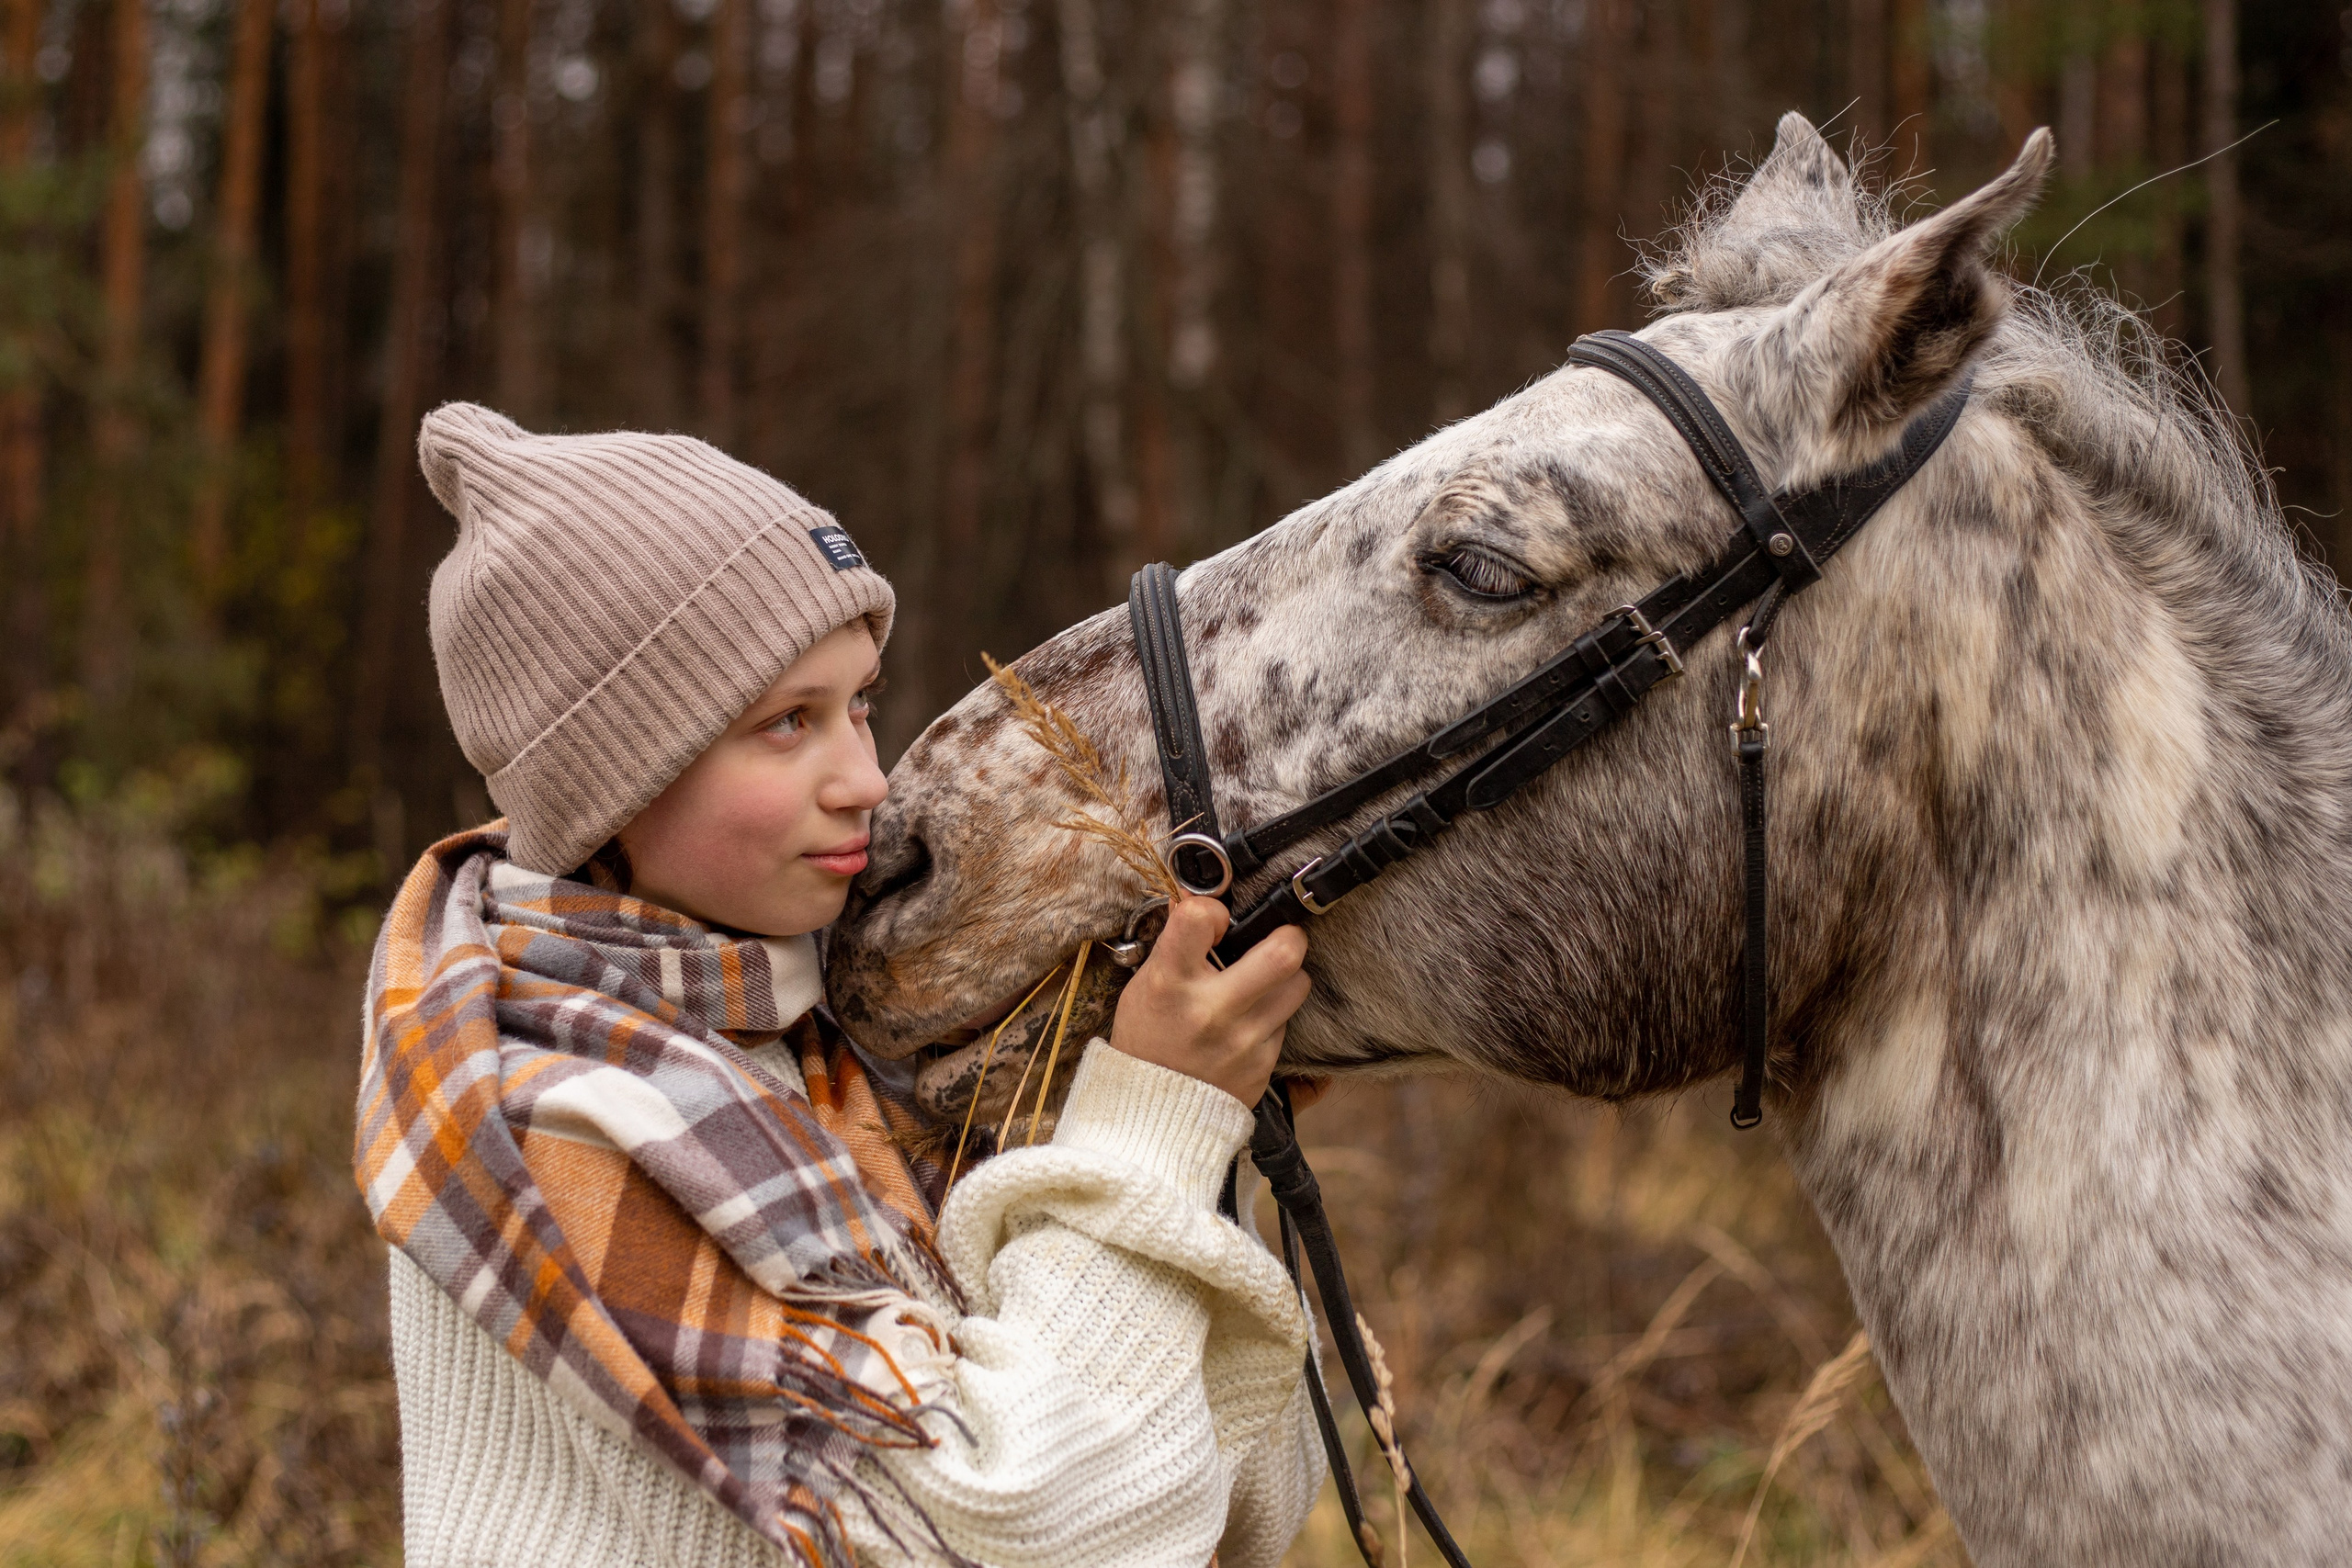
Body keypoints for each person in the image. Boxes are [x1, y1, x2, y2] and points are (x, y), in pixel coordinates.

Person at [356, 403, 1326, 1568]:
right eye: (787, 725)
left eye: (859, 701)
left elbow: (1235, 1496)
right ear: (613, 783)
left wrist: (1191, 1135)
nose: (867, 777)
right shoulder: (555, 1112)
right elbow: (1020, 1533)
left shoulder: (828, 1029)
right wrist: (1151, 1129)